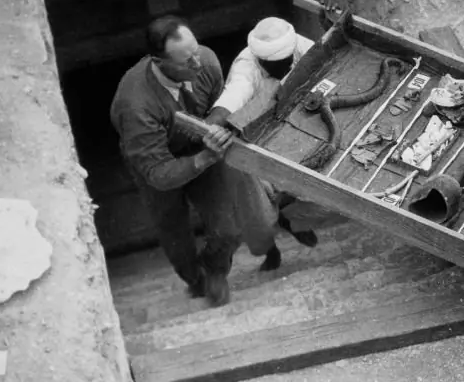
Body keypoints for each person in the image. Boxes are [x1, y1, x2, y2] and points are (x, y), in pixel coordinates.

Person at [109, 16, 268, 307]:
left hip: (200, 146)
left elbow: (221, 103)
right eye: (186, 61)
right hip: (156, 163)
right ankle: (194, 279)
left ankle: (215, 270)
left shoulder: (205, 61)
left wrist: (214, 130)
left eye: (196, 50)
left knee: (228, 228)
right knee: (174, 230)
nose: (198, 63)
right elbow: (159, 173)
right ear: (158, 62)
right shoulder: (136, 106)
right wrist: (207, 156)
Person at [205, 16, 320, 265]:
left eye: (284, 63)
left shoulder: (303, 46)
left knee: (318, 190)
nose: (280, 69)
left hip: (297, 126)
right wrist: (214, 125)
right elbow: (235, 94)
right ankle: (268, 249)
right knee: (255, 211)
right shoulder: (245, 66)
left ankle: (294, 221)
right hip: (254, 136)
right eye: (272, 65)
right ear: (259, 59)